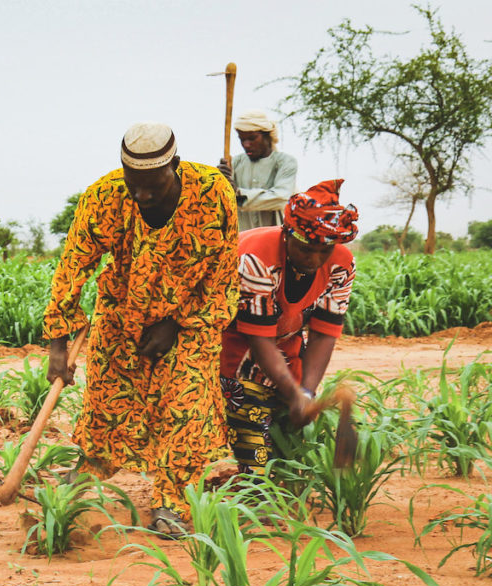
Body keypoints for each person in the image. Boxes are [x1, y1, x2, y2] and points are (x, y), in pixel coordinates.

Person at [44, 122, 239, 537]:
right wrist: (57, 344)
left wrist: (177, 321)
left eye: (153, 185)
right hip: (123, 309)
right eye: (134, 184)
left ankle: (171, 502)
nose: (142, 195)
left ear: (176, 167)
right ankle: (89, 473)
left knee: (184, 404)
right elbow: (73, 267)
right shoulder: (104, 196)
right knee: (108, 398)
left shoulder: (213, 194)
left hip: (192, 316)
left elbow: (221, 275)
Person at [220, 180, 357, 474]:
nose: (314, 259)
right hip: (233, 341)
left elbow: (323, 332)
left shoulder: (341, 265)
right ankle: (252, 489)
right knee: (250, 416)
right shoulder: (256, 258)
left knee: (287, 429)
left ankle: (276, 480)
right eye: (306, 248)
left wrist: (305, 392)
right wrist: (293, 393)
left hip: (286, 345)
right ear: (287, 233)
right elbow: (258, 338)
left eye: (325, 250)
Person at [217, 109, 298, 230]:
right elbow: (221, 201)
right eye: (242, 140)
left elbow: (281, 198)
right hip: (242, 238)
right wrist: (219, 178)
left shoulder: (285, 162)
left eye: (252, 138)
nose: (246, 145)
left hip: (275, 236)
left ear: (267, 136)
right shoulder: (234, 163)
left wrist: (238, 194)